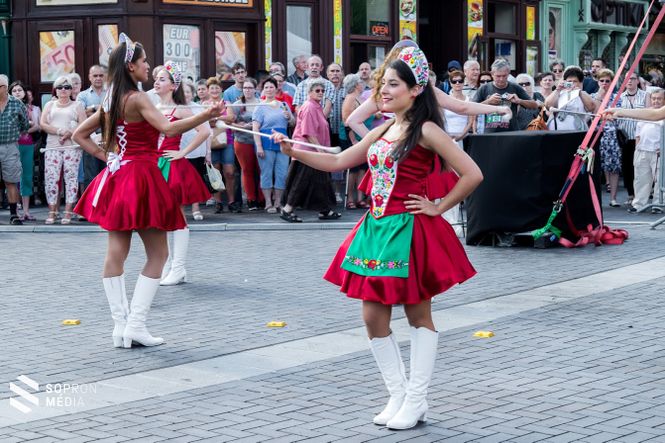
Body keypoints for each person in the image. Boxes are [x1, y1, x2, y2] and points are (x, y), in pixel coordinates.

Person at [272, 47, 483, 430]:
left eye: (393, 84)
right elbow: (339, 160)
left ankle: (416, 399)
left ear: (415, 90)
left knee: (417, 314)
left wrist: (438, 206)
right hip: (377, 227)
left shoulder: (427, 130)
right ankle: (398, 394)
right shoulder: (384, 128)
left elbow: (472, 173)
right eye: (382, 84)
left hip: (412, 231)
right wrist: (295, 152)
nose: (383, 91)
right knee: (372, 315)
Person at [72, 34, 223, 348]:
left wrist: (107, 156)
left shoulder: (110, 99)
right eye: (143, 62)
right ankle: (136, 325)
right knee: (158, 254)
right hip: (142, 175)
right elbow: (168, 128)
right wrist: (206, 115)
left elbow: (79, 135)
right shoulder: (138, 98)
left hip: (118, 175)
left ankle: (120, 327)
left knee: (116, 252)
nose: (147, 66)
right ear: (131, 66)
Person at [346, 42, 512, 141]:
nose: (387, 89)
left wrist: (498, 108)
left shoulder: (423, 90)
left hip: (418, 151)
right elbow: (352, 120)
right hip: (401, 153)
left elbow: (462, 107)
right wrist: (378, 143)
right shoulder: (385, 93)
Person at [153, 62, 212, 286]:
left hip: (171, 164)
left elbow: (204, 131)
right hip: (154, 165)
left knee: (176, 214)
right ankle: (167, 265)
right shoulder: (153, 108)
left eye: (162, 79)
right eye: (156, 79)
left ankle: (178, 268)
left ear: (172, 85)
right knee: (160, 217)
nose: (156, 82)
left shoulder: (181, 110)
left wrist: (182, 152)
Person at [280, 78, 339, 222]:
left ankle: (325, 210)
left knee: (321, 180)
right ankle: (287, 209)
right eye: (317, 90)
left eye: (322, 91)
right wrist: (320, 151)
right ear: (309, 92)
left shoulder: (317, 106)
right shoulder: (309, 107)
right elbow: (308, 132)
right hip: (307, 151)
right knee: (301, 181)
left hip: (314, 151)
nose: (321, 93)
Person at [40, 76, 87, 224]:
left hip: (72, 146)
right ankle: (52, 211)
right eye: (60, 87)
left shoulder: (77, 105)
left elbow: (84, 125)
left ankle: (68, 211)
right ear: (55, 90)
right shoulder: (49, 105)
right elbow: (43, 124)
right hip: (52, 146)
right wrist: (60, 131)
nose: (63, 90)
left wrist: (69, 133)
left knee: (71, 178)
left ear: (71, 90)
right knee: (51, 179)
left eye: (67, 87)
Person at [252, 77, 294, 213]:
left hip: (282, 142)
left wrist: (289, 117)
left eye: (271, 87)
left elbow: (293, 123)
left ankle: (278, 201)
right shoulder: (260, 107)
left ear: (276, 89)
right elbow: (255, 128)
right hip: (266, 142)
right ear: (263, 90)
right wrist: (259, 146)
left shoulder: (283, 105)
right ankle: (268, 202)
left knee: (282, 173)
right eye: (266, 87)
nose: (269, 90)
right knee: (267, 172)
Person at [226, 77, 264, 211]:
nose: (247, 90)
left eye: (250, 88)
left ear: (255, 89)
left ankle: (262, 198)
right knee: (247, 170)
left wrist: (255, 125)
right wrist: (242, 126)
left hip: (260, 141)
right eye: (245, 88)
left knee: (261, 169)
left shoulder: (261, 103)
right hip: (242, 141)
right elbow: (230, 123)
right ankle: (251, 199)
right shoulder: (237, 105)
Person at [204, 77, 240, 213]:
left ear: (221, 89)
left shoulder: (226, 103)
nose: (214, 90)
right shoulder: (204, 104)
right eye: (212, 88)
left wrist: (216, 118)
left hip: (227, 141)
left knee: (230, 172)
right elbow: (204, 121)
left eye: (217, 87)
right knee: (216, 172)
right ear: (208, 90)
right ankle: (218, 202)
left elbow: (231, 118)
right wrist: (217, 119)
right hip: (211, 142)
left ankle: (231, 201)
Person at [474, 59, 538, 132]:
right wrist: (488, 102)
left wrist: (519, 101)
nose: (501, 79)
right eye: (498, 76)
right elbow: (472, 108)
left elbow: (534, 105)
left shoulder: (515, 87)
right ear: (492, 74)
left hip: (511, 133)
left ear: (508, 74)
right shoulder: (484, 88)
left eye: (504, 76)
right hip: (490, 134)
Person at [627, 88, 663, 213]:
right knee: (640, 179)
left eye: (659, 99)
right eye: (654, 98)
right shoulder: (645, 114)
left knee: (660, 180)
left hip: (659, 152)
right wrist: (637, 149)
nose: (656, 101)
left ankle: (659, 204)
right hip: (642, 151)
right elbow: (638, 134)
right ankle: (639, 204)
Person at [0, 74, 30, 225]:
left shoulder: (17, 104)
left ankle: (14, 215)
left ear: (5, 88)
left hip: (10, 146)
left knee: (11, 181)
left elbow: (25, 125)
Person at [618, 72, 651, 206]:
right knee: (627, 167)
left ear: (638, 81)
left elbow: (649, 114)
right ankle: (631, 194)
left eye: (632, 78)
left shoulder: (645, 95)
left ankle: (642, 194)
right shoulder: (620, 97)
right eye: (627, 79)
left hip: (640, 137)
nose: (629, 81)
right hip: (625, 138)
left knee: (641, 166)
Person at [9, 81, 40, 221]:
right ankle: (15, 211)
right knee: (12, 178)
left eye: (19, 90)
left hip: (27, 145)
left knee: (26, 177)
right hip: (11, 146)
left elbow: (36, 125)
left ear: (24, 93)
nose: (17, 92)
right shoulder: (6, 107)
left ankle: (26, 211)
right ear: (10, 93)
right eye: (14, 90)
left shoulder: (29, 108)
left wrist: (24, 129)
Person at [592, 69, 623, 207]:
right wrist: (600, 95)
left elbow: (617, 115)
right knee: (595, 167)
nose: (604, 83)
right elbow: (595, 112)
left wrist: (605, 115)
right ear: (597, 81)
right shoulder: (593, 96)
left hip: (612, 136)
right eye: (602, 80)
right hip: (596, 135)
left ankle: (613, 198)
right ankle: (595, 200)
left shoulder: (617, 97)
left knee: (614, 167)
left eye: (607, 81)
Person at [181, 81, 211, 221]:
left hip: (197, 150)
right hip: (179, 149)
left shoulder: (199, 108)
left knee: (195, 181)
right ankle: (180, 211)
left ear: (193, 94)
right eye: (183, 91)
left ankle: (196, 208)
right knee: (180, 182)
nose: (185, 94)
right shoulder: (174, 107)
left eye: (188, 91)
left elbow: (208, 131)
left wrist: (208, 152)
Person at [77, 65, 108, 192]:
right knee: (91, 176)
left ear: (105, 77)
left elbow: (113, 112)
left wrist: (92, 109)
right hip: (90, 138)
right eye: (95, 75)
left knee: (108, 175)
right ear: (90, 77)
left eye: (101, 75)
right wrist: (101, 108)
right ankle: (91, 204)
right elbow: (81, 115)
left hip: (109, 138)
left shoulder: (111, 93)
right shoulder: (82, 95)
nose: (98, 78)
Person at [544, 66, 595, 131]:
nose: (572, 83)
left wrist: (579, 91)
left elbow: (591, 107)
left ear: (580, 82)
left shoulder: (583, 94)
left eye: (575, 81)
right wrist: (558, 90)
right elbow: (548, 105)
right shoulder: (559, 93)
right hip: (555, 130)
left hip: (576, 131)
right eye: (569, 81)